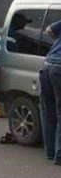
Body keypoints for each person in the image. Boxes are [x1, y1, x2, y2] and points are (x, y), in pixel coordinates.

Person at [38, 18, 61, 165]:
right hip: (59, 69)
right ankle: (59, 156)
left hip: (46, 66)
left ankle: (51, 152)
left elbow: (49, 30)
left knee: (48, 111)